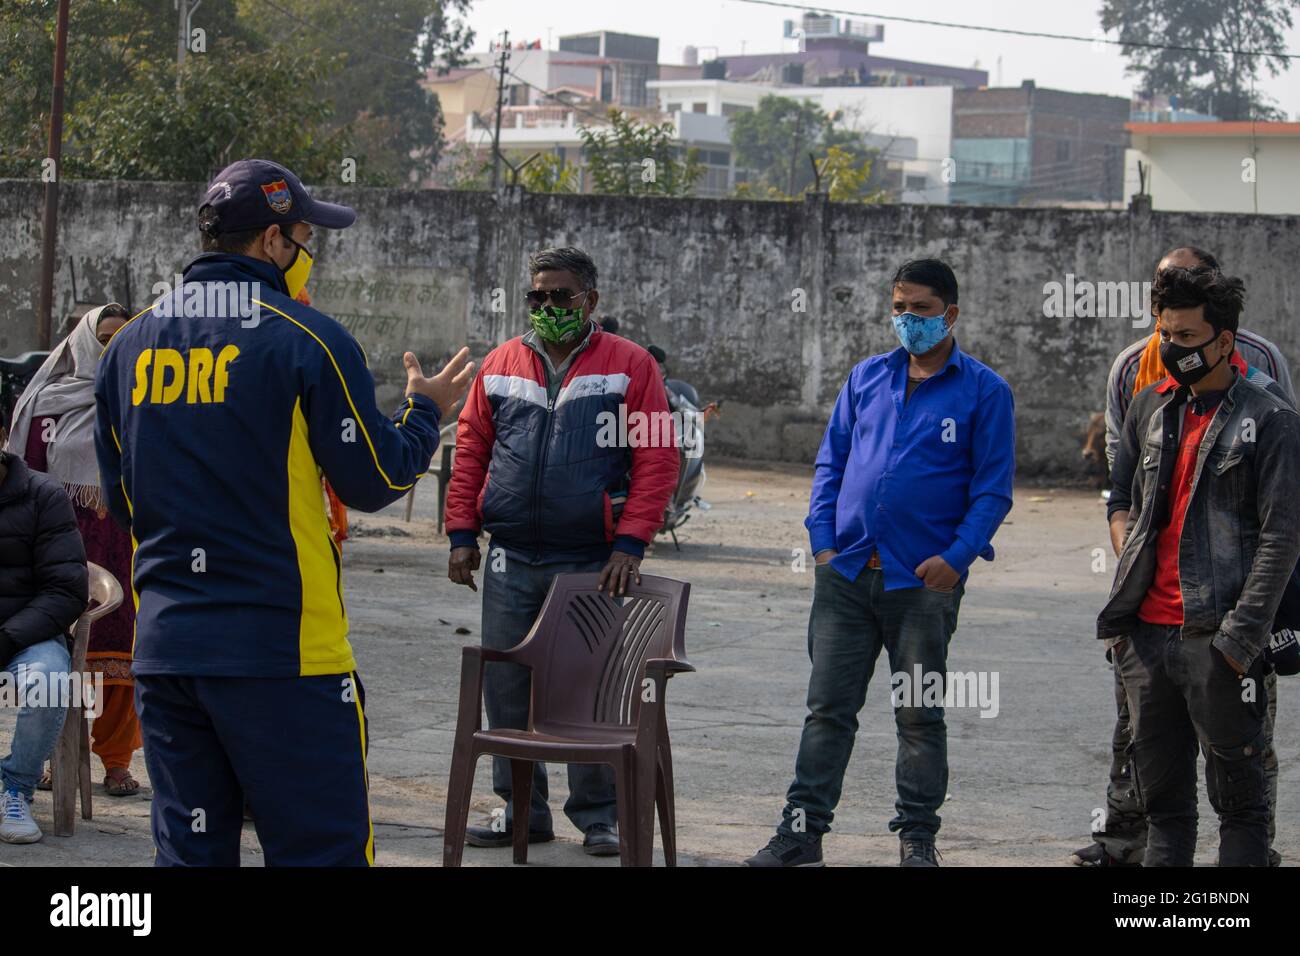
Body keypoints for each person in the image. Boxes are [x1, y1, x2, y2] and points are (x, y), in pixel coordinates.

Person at [93, 158, 473, 866]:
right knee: (318, 854)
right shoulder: (308, 339)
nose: (305, 256)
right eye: (302, 237)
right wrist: (427, 412)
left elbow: (123, 503)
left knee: (191, 857)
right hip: (285, 659)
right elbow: (378, 476)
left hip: (168, 656)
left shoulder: (129, 347)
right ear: (272, 243)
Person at [746, 258, 1015, 867]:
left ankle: (918, 838)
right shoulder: (867, 378)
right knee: (827, 711)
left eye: (920, 309)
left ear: (950, 313)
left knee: (919, 716)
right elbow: (830, 465)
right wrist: (822, 542)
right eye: (898, 307)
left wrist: (956, 558)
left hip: (923, 584)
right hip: (845, 576)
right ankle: (801, 833)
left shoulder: (984, 391)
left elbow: (992, 489)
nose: (907, 319)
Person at [444, 246, 678, 856]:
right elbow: (470, 452)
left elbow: (658, 459)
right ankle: (520, 810)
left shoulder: (630, 366)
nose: (548, 306)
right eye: (537, 296)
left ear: (590, 300)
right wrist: (462, 533)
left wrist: (631, 542)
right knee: (505, 683)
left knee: (588, 684)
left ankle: (599, 816)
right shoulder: (500, 364)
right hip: (510, 556)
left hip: (593, 560)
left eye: (561, 295)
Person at [1077, 246, 1294, 867]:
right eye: (1166, 333)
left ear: (1226, 341)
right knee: (1166, 812)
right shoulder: (1150, 405)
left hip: (1219, 640)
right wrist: (1130, 594)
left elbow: (1281, 538)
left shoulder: (1271, 419)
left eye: (1190, 336)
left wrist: (1238, 641)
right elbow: (1122, 499)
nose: (1174, 347)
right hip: (1147, 638)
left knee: (1242, 814)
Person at [5, 303, 142, 797]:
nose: (112, 347)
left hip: (127, 547)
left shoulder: (144, 400)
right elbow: (28, 479)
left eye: (122, 337)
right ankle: (54, 755)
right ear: (84, 341)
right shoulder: (45, 405)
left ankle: (117, 761)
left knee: (123, 660)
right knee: (66, 658)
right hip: (62, 548)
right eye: (104, 337)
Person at [0, 449, 88, 843]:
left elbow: (67, 590)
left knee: (50, 681)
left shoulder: (44, 495)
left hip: (30, 637)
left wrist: (7, 638)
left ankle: (15, 788)